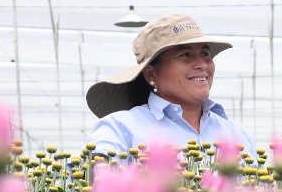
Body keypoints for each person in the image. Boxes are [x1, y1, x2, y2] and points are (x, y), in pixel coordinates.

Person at [86, 13, 255, 159]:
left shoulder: (237, 134)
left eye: (205, 53)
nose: (202, 64)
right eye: (185, 55)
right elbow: (93, 185)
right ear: (150, 74)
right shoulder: (119, 129)